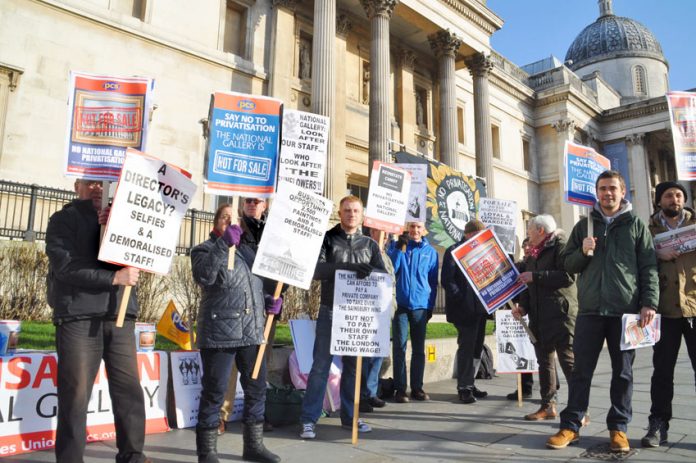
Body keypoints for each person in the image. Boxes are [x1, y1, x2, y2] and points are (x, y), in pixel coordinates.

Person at [547, 170, 658, 452]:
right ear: (596, 193)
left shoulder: (636, 225)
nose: (607, 193)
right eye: (603, 188)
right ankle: (571, 426)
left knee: (623, 373)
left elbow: (648, 267)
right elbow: (568, 265)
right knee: (581, 371)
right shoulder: (584, 226)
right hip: (590, 311)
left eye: (612, 188)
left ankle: (618, 429)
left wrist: (649, 302)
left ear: (622, 192)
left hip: (625, 312)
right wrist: (582, 252)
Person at [45, 179, 149, 463]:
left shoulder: (121, 216)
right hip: (78, 316)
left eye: (105, 182)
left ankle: (133, 456)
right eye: (91, 182)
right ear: (77, 185)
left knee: (129, 391)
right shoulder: (63, 219)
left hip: (119, 312)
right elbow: (65, 267)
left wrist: (117, 228)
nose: (98, 188)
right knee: (76, 395)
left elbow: (136, 257)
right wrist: (113, 278)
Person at [191, 203, 281, 463]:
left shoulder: (248, 253)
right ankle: (206, 452)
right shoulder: (203, 249)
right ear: (215, 223)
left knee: (256, 389)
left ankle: (253, 445)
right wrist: (222, 245)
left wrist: (269, 301)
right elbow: (205, 277)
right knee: (215, 391)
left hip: (251, 332)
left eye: (235, 219)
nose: (231, 223)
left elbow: (253, 286)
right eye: (225, 218)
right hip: (220, 334)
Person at [299, 195, 385, 439]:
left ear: (362, 215)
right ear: (340, 212)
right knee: (320, 367)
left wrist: (372, 271)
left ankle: (351, 418)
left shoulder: (369, 245)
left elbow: (383, 277)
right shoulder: (327, 238)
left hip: (358, 314)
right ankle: (308, 419)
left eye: (356, 211)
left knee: (353, 368)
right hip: (330, 310)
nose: (351, 214)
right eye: (347, 210)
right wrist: (348, 268)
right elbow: (316, 270)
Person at [642, 181, 696, 447]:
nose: (674, 199)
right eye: (668, 195)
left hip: (695, 307)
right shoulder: (647, 230)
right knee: (662, 372)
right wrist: (656, 253)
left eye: (678, 195)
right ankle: (657, 424)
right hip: (664, 310)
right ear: (659, 201)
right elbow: (636, 261)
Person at [512, 214, 577, 420]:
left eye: (529, 230)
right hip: (539, 316)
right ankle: (548, 405)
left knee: (568, 362)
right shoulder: (533, 251)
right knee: (545, 362)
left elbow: (568, 276)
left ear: (541, 231)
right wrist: (522, 307)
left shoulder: (562, 245)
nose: (527, 234)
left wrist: (536, 276)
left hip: (560, 314)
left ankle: (579, 409)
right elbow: (527, 283)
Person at [219, 197, 274, 434]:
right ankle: (222, 413)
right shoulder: (238, 227)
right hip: (238, 308)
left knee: (259, 366)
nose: (252, 204)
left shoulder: (274, 230)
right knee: (231, 365)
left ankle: (257, 417)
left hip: (268, 306)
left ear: (265, 206)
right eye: (248, 201)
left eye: (257, 201)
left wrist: (276, 296)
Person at [387, 221, 439, 402]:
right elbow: (392, 269)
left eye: (418, 227)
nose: (415, 230)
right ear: (406, 229)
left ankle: (417, 388)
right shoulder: (397, 246)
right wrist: (399, 247)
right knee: (399, 347)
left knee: (418, 349)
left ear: (424, 229)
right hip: (400, 304)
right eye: (411, 227)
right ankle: (400, 389)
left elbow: (433, 282)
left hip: (420, 306)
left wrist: (430, 306)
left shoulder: (430, 252)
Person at [441, 219, 490, 403]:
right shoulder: (454, 251)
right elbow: (447, 279)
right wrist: (461, 298)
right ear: (469, 234)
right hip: (464, 309)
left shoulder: (481, 251)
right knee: (467, 347)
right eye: (478, 234)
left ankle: (470, 381)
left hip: (480, 308)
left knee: (478, 347)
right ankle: (463, 387)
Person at [359, 227, 396, 411]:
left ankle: (371, 392)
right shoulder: (364, 251)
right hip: (369, 313)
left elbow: (392, 285)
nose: (385, 235)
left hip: (385, 313)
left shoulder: (387, 257)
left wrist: (392, 308)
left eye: (387, 233)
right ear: (371, 233)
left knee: (378, 356)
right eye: (379, 231)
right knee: (366, 356)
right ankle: (363, 395)